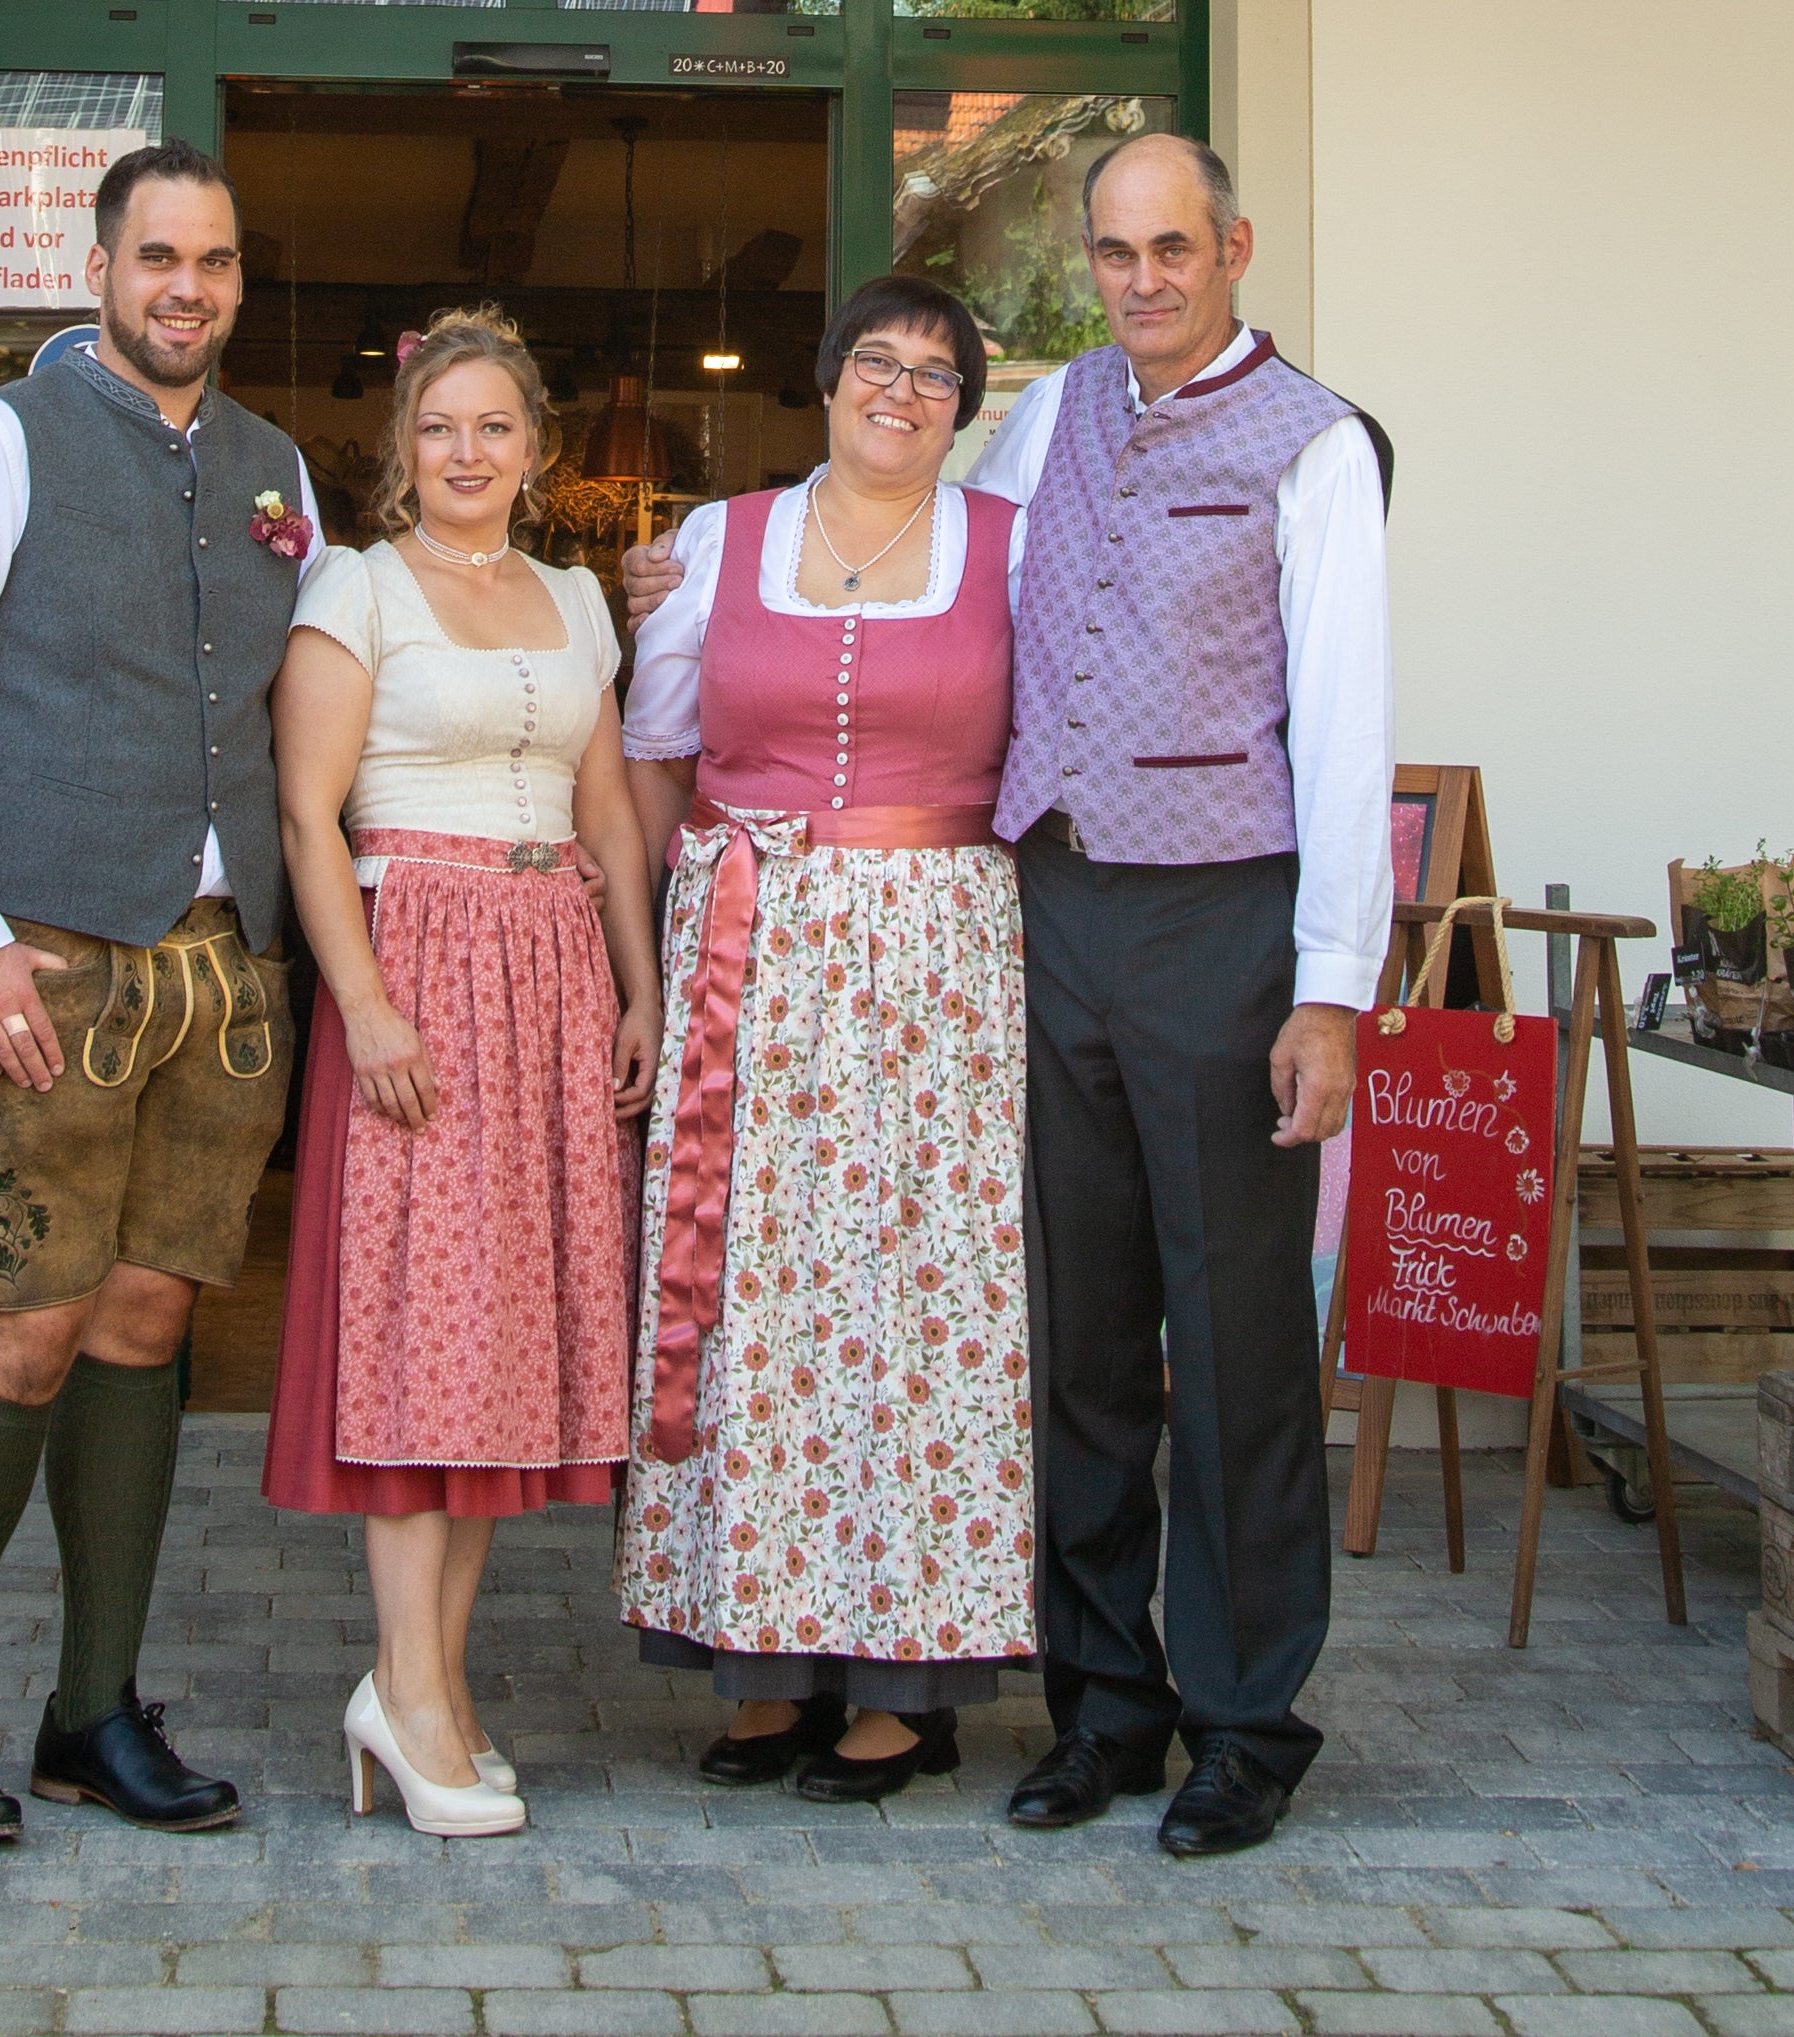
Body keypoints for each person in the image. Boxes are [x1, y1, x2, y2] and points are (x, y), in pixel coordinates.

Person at [628, 134, 1392, 1855]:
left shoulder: (1316, 446)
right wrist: (673, 582)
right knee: (1081, 1338)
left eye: (1171, 248)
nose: (1141, 280)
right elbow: (905, 536)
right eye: (1115, 252)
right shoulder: (1047, 422)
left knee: (1235, 1341)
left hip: (1222, 915)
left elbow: (1349, 725)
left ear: (1233, 250)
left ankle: (1246, 1720)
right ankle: (1102, 1700)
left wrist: (1331, 988)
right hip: (1044, 910)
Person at [0, 139, 328, 1843]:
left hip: (219, 966)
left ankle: (91, 1711)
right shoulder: (0, 439)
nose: (186, 287)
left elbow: (321, 687)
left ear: (239, 280)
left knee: (143, 1325)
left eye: (215, 260)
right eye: (157, 257)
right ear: (99, 268)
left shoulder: (276, 468)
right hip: (40, 958)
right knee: (25, 1321)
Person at [614, 274, 1035, 1806]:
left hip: (942, 976)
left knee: (922, 1311)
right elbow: (653, 757)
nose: (900, 391)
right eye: (877, 360)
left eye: (935, 373)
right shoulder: (716, 543)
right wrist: (658, 952)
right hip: (754, 956)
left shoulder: (1012, 547)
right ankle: (763, 1656)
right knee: (752, 1307)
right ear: (825, 376)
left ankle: (905, 1678)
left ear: (963, 408)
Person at [261, 308, 661, 1837]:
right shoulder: (353, 589)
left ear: (535, 448)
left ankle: (426, 1682)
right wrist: (362, 1005)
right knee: (413, 1342)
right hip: (418, 968)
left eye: (494, 426)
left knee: (495, 1348)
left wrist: (637, 981)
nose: (467, 451)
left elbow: (607, 808)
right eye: (439, 427)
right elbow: (307, 816)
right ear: (402, 447)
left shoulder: (574, 597)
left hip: (551, 974)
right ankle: (408, 1689)